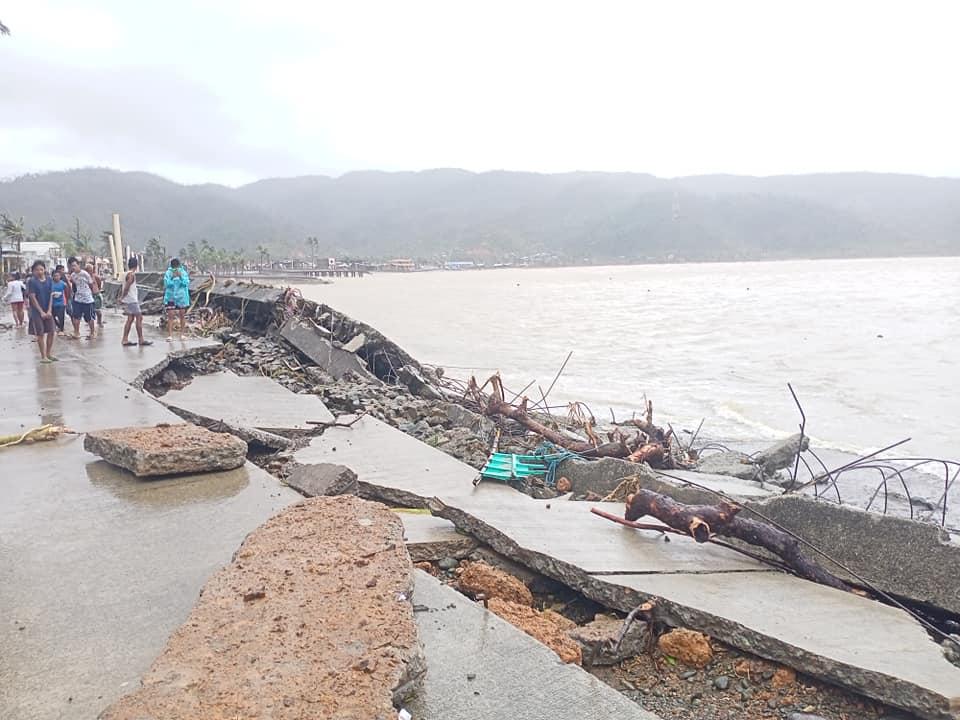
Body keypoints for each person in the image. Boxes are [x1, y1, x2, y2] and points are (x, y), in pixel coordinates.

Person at [26, 260, 56, 362]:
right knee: (40, 333)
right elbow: (32, 298)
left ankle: (48, 353)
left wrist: (49, 310)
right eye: (36, 270)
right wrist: (41, 312)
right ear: (33, 271)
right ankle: (43, 356)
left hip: (48, 310)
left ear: (44, 270)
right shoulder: (32, 281)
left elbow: (51, 295)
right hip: (36, 311)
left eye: (41, 269)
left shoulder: (49, 280)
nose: (39, 271)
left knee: (52, 331)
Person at [120, 257, 152, 347]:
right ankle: (141, 339)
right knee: (139, 318)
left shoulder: (125, 274)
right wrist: (122, 297)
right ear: (136, 265)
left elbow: (123, 287)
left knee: (130, 319)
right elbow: (126, 287)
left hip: (129, 299)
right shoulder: (131, 275)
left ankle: (125, 339)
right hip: (132, 299)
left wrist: (122, 298)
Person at [67, 256, 97, 339]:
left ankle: (92, 332)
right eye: (71, 266)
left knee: (90, 317)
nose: (73, 267)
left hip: (87, 299)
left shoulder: (85, 273)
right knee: (76, 317)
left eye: (74, 265)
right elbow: (73, 285)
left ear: (78, 265)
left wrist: (90, 293)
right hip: (77, 299)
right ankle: (77, 333)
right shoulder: (72, 275)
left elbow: (91, 284)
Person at [163, 258, 190, 341]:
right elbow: (167, 284)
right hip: (171, 297)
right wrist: (172, 277)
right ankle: (170, 335)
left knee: (182, 315)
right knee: (170, 316)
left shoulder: (183, 272)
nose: (176, 269)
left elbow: (186, 283)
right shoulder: (168, 273)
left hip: (181, 297)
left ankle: (182, 334)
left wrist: (180, 277)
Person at [87, 262, 106, 327]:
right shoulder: (85, 277)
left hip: (96, 295)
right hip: (89, 295)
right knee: (89, 311)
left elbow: (99, 284)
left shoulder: (95, 277)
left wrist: (97, 290)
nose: (90, 271)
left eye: (90, 270)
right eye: (88, 270)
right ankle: (90, 322)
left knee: (98, 311)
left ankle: (99, 321)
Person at [50, 269, 68, 334]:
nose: (56, 277)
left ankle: (61, 329)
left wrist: (67, 301)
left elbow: (67, 292)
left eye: (57, 276)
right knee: (52, 317)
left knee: (61, 317)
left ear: (60, 276)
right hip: (52, 303)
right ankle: (58, 326)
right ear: (52, 276)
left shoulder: (63, 284)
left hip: (61, 303)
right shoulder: (50, 283)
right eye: (54, 276)